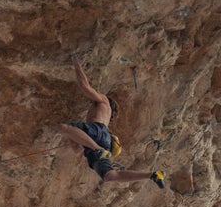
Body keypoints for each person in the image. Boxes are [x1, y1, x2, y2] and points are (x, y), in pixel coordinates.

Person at [57, 54, 165, 189]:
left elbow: (85, 86)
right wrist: (75, 138)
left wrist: (76, 63)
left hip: (98, 136)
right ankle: (152, 175)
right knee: (110, 176)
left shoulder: (103, 100)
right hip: (104, 141)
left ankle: (96, 148)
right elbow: (78, 150)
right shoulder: (105, 119)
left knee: (63, 127)